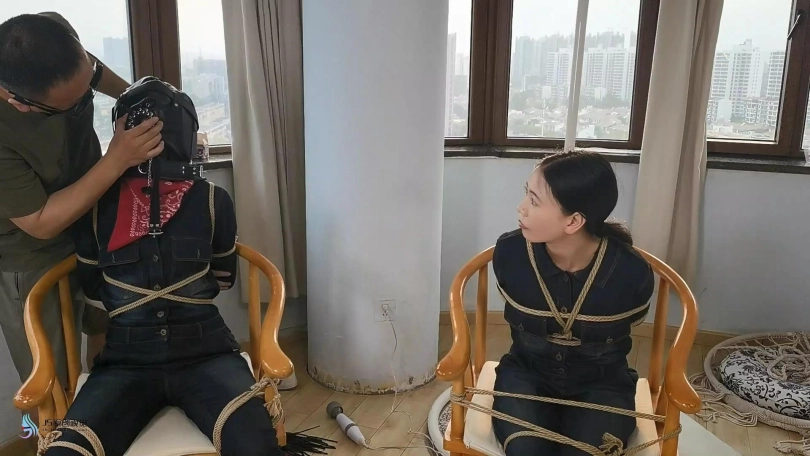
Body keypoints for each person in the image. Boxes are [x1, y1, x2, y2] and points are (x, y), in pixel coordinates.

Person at [38, 76, 284, 456]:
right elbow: (222, 279)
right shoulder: (205, 200)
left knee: (256, 446)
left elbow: (96, 288)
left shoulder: (209, 201)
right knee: (67, 451)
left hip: (208, 355)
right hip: (124, 364)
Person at [0, 12, 164, 391]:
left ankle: (103, 408)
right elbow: (40, 222)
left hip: (94, 222)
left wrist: (136, 97)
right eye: (74, 105)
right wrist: (117, 159)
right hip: (33, 253)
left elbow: (91, 70)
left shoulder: (50, 34)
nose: (85, 102)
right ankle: (55, 429)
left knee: (107, 334)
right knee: (51, 382)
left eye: (87, 88)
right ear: (22, 104)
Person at [490, 150, 654, 456]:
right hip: (527, 375)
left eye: (534, 201)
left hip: (601, 384)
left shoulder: (630, 273)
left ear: (574, 221)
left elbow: (631, 320)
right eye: (526, 194)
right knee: (526, 451)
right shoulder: (510, 255)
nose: (521, 207)